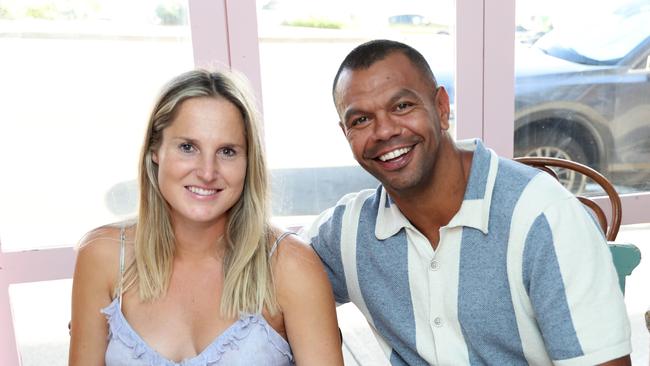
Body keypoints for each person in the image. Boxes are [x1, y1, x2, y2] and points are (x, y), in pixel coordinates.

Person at [303, 39, 632, 365]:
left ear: (442, 108)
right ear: (345, 133)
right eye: (360, 120)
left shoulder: (544, 216)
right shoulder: (348, 231)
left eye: (402, 106)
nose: (384, 131)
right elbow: (262, 279)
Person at [69, 69, 343, 365]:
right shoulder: (103, 256)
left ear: (248, 161)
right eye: (188, 147)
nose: (207, 172)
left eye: (227, 151)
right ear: (155, 150)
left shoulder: (291, 266)